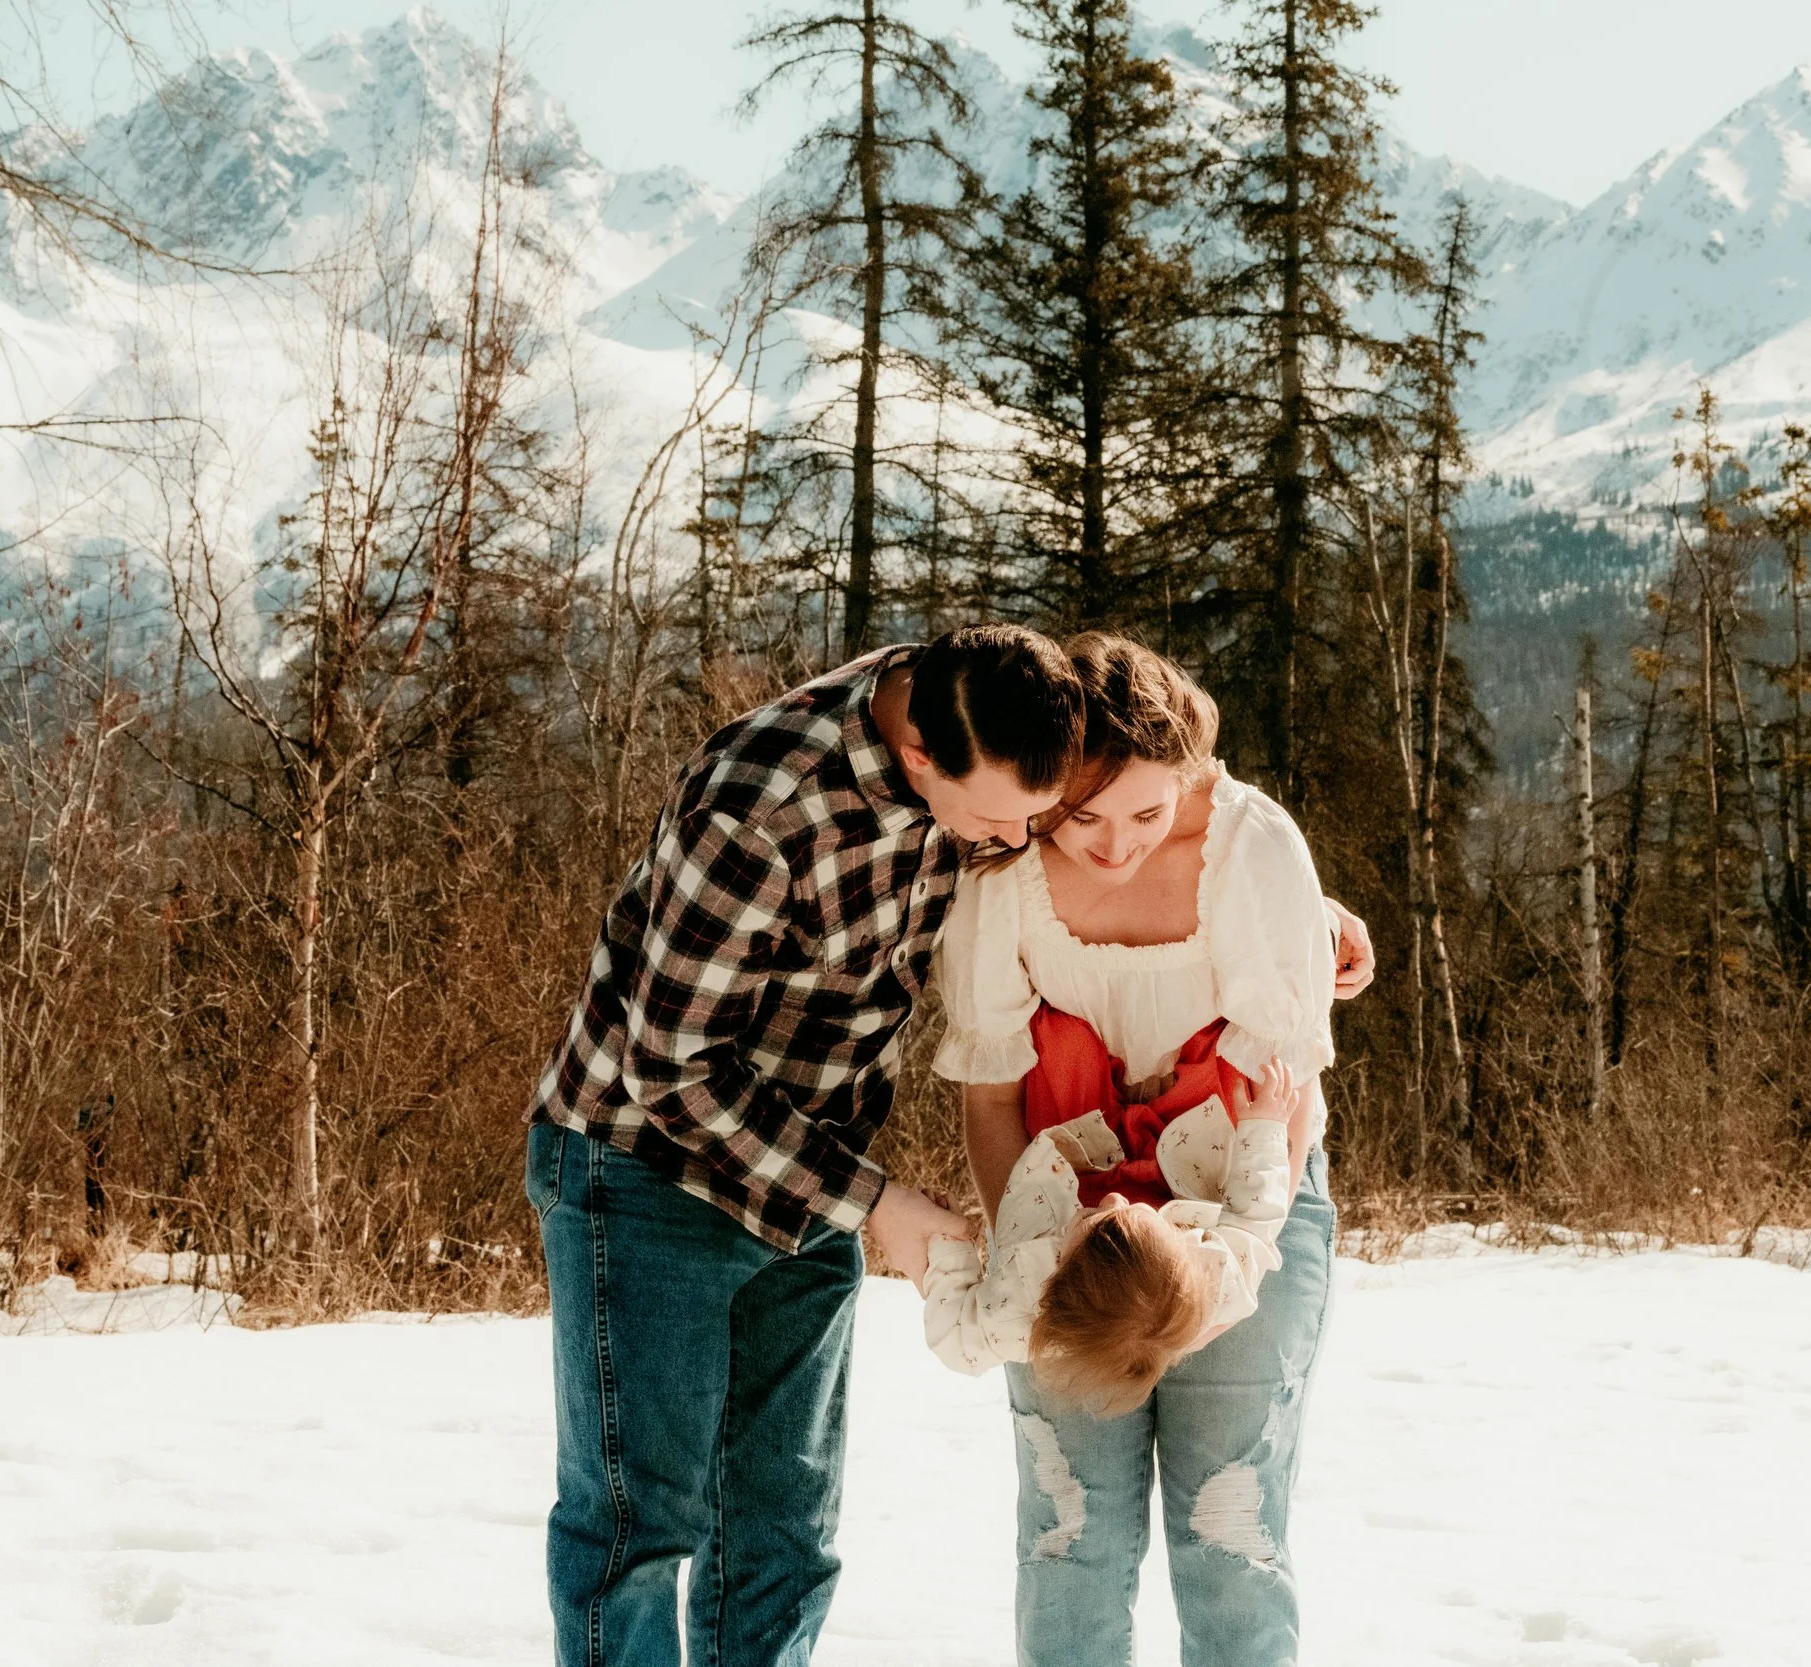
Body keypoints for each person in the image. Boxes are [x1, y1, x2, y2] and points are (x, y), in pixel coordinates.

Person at [523, 624, 1375, 1667]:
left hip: (810, 1168)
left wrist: (1300, 911)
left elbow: (1172, 790)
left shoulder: (989, 714)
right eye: (1016, 823)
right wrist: (884, 1206)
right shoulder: (760, 808)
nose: (1022, 845)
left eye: (1038, 818)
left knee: (782, 1535)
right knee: (637, 1527)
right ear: (923, 761)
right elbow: (670, 1070)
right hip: (646, 1168)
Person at [934, 632, 1342, 1667]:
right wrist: (1036, 1241)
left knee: (1228, 1528)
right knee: (1070, 1530)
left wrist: (1225, 1248)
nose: (1115, 846)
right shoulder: (1006, 868)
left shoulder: (1251, 849)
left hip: (1242, 1187)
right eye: (1083, 817)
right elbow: (991, 1094)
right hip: (1062, 1211)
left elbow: (1278, 1091)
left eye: (1148, 814)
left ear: (1195, 779)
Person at [919, 1055, 1306, 1413]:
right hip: (1189, 1190)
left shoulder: (1017, 1308)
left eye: (1090, 1220)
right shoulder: (1218, 1276)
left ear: (1056, 1273)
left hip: (1054, 1194)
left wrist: (951, 1247)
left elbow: (955, 1342)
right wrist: (1266, 1126)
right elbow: (1256, 1221)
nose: (1114, 1199)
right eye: (1137, 1214)